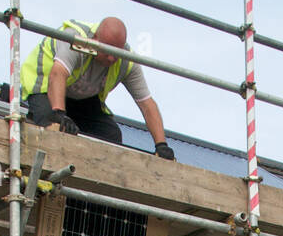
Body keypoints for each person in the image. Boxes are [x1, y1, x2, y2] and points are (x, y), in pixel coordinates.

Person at [20, 17, 176, 159]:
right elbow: (58, 74)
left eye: (116, 53)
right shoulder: (76, 40)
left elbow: (146, 104)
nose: (111, 58)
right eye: (106, 51)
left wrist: (161, 145)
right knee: (54, 128)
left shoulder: (127, 61)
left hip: (82, 99)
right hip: (46, 88)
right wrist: (59, 114)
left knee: (111, 136)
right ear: (95, 39)